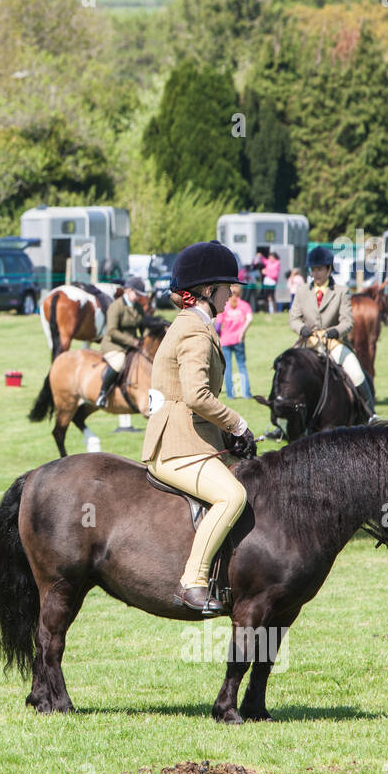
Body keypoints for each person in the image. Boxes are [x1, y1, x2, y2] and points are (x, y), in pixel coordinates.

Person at [142, 241, 255, 617]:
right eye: (227, 287)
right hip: (177, 447)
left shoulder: (193, 325)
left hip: (190, 439)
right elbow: (197, 395)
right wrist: (237, 424)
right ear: (209, 291)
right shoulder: (194, 331)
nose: (231, 294)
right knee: (232, 498)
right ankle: (194, 581)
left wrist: (227, 439)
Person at [289, 246, 376, 417]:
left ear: (329, 269)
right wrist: (302, 329)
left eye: (320, 269)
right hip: (308, 343)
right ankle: (282, 422)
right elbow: (294, 319)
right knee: (287, 372)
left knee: (357, 373)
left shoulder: (341, 292)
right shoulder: (301, 291)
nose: (315, 274)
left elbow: (348, 321)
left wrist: (336, 331)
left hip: (333, 344)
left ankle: (370, 415)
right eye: (313, 270)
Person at [95, 276, 146, 406]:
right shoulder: (115, 306)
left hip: (132, 345)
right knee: (119, 362)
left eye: (139, 295)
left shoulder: (138, 307)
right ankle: (102, 394)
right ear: (128, 290)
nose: (137, 297)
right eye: (136, 294)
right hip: (114, 345)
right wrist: (133, 341)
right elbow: (112, 331)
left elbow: (143, 327)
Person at [215, 283, 253, 398]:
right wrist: (243, 332)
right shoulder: (245, 305)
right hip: (239, 340)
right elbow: (250, 318)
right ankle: (246, 393)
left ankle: (231, 395)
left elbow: (217, 326)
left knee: (227, 368)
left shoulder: (225, 306)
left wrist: (219, 336)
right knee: (242, 366)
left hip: (225, 341)